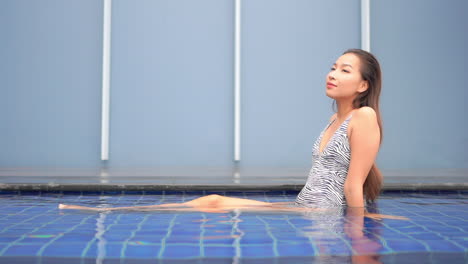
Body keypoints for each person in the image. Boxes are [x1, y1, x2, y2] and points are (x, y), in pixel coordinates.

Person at [59, 49, 407, 221]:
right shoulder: (334, 121)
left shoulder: (364, 116)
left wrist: (358, 232)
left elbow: (351, 184)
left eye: (344, 70)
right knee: (212, 201)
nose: (332, 73)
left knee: (213, 203)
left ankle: (101, 212)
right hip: (307, 207)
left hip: (321, 214)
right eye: (332, 67)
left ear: (363, 84)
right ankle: (104, 211)